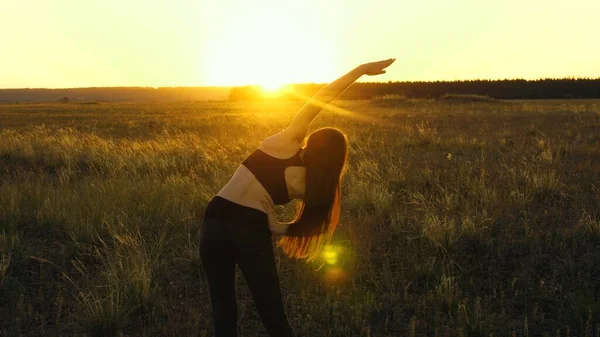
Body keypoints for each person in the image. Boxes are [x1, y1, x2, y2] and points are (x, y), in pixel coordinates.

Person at [199, 58, 396, 337]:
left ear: (314, 141)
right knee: (272, 315)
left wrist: (360, 70)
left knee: (224, 312)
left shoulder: (285, 142)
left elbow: (320, 99)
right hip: (249, 227)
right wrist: (279, 226)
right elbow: (318, 220)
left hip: (215, 218)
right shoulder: (313, 186)